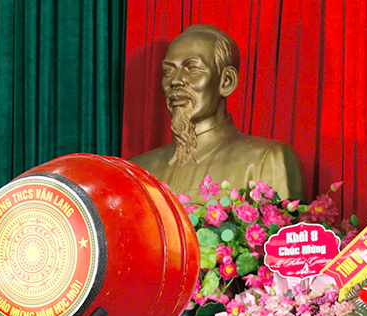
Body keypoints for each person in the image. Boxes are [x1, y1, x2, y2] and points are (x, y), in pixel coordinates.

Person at [130, 24, 305, 204]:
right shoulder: (137, 171)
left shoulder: (267, 160)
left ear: (227, 81)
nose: (175, 81)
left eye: (192, 68)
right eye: (168, 71)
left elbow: (283, 226)